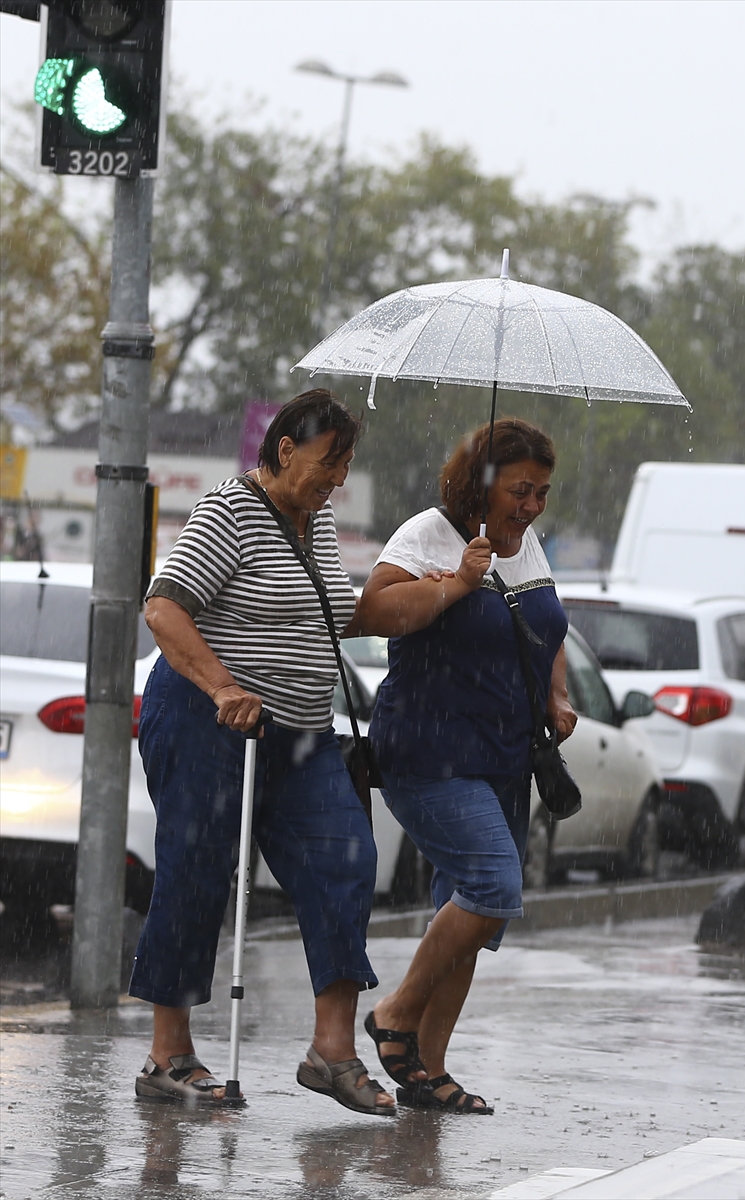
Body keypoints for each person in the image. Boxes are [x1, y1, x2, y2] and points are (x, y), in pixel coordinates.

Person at [130, 389, 395, 1116]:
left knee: (346, 861)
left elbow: (335, 609)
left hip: (304, 733)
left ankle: (330, 1053)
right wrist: (220, 686)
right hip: (209, 721)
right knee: (196, 873)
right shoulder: (227, 512)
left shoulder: (315, 519)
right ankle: (168, 1054)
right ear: (285, 450)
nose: (337, 477)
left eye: (345, 464)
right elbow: (163, 605)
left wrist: (448, 588)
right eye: (328, 460)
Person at [358, 417, 577, 1114]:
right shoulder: (431, 534)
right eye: (519, 490)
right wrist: (456, 581)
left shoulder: (526, 542)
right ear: (483, 481)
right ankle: (394, 1013)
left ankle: (427, 1069)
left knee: (473, 920)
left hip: (505, 754)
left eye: (541, 492)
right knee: (490, 887)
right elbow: (373, 612)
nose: (531, 506)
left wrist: (556, 692)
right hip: (431, 748)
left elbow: (543, 626)